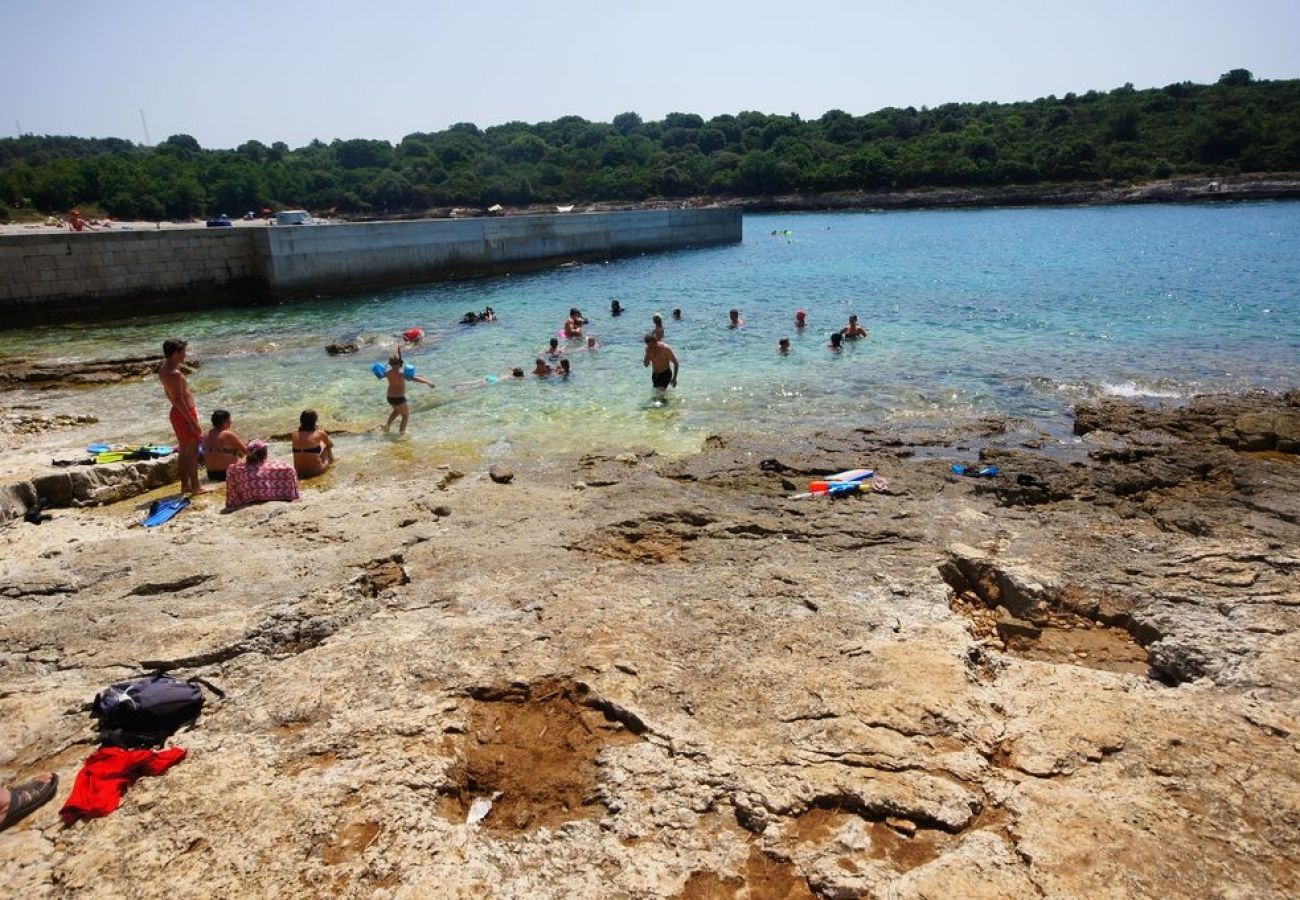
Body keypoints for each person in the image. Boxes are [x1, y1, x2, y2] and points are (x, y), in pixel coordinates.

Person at [159, 338, 207, 495]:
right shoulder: (175, 374)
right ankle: (196, 486)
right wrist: (192, 421)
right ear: (174, 353)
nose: (185, 355)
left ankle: (185, 485)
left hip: (177, 413)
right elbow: (180, 400)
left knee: (184, 450)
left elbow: (170, 395)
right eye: (183, 352)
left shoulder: (164, 370)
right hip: (184, 413)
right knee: (192, 452)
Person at [224, 440, 300, 511]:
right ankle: (288, 495)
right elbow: (290, 470)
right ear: (265, 454)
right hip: (275, 498)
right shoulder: (278, 468)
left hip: (249, 499)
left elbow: (232, 484)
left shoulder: (236, 470)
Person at [383, 349, 435, 435]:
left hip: (390, 397)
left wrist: (399, 355)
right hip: (399, 398)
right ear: (400, 363)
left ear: (390, 364)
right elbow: (414, 378)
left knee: (396, 411)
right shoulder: (401, 373)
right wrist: (428, 382)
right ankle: (402, 433)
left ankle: (387, 425)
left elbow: (384, 373)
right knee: (405, 415)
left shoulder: (387, 372)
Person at [202, 409, 248, 482]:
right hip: (226, 474)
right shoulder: (228, 434)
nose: (231, 422)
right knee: (250, 459)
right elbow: (247, 452)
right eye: (229, 420)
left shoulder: (205, 434)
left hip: (211, 474)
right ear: (224, 422)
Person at [292, 409, 335, 478]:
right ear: (315, 420)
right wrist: (323, 434)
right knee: (326, 446)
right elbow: (331, 445)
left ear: (301, 420)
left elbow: (307, 443)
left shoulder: (294, 434)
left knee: (308, 450)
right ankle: (332, 462)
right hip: (317, 471)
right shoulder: (320, 433)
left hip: (299, 472)